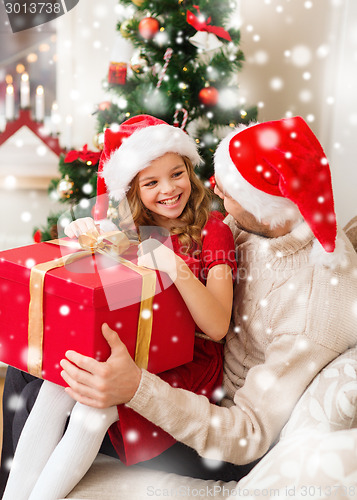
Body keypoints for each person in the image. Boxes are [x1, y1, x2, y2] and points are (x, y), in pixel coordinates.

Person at [58, 116, 357, 470]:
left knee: (53, 396)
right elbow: (158, 238)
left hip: (218, 427)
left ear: (264, 202)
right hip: (178, 363)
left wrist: (137, 388)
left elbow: (248, 434)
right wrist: (100, 232)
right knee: (33, 372)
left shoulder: (310, 309)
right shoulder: (258, 227)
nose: (215, 189)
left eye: (230, 190)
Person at [1, 115, 237, 500]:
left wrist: (175, 267)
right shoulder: (125, 233)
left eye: (176, 173)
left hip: (186, 366)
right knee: (58, 389)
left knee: (91, 414)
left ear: (190, 171)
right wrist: (82, 244)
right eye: (151, 182)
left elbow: (217, 327)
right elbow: (98, 300)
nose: (169, 189)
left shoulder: (213, 229)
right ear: (132, 190)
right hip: (133, 354)